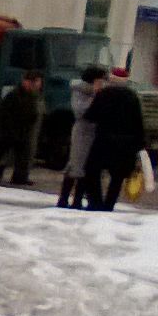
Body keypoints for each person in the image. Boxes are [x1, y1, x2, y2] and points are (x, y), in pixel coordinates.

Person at [82, 67, 146, 211]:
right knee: (117, 177)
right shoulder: (132, 97)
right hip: (126, 144)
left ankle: (95, 202)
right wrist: (140, 143)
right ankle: (109, 205)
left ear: (112, 79)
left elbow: (90, 116)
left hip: (104, 141)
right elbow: (138, 122)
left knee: (92, 171)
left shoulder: (104, 94)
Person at [0, 70, 44, 186]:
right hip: (10, 130)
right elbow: (3, 113)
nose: (37, 85)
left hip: (24, 130)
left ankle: (20, 177)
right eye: (35, 82)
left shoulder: (34, 96)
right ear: (26, 82)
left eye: (38, 82)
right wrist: (7, 128)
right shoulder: (14, 94)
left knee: (24, 155)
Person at [57, 65, 109, 209]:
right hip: (82, 133)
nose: (103, 83)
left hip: (93, 133)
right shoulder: (81, 91)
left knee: (86, 167)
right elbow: (81, 111)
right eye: (101, 80)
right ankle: (64, 199)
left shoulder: (97, 93)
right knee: (76, 166)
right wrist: (96, 99)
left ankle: (77, 200)